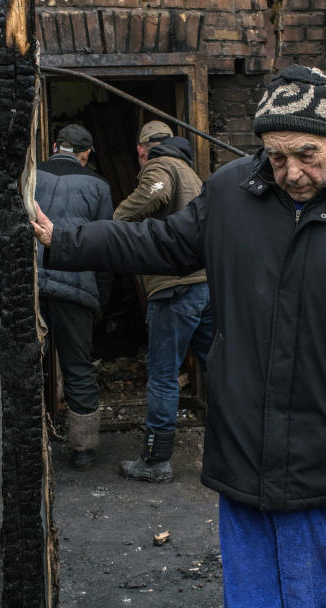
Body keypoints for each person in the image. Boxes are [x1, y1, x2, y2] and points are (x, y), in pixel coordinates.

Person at [32, 65, 326, 606]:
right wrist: (62, 239)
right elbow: (158, 243)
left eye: (307, 156)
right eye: (277, 156)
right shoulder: (232, 193)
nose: (292, 172)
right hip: (249, 444)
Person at [112, 120, 213, 484]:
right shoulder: (192, 173)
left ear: (143, 148)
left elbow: (155, 193)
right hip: (204, 285)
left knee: (163, 376)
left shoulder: (160, 164)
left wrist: (117, 222)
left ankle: (156, 461)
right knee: (218, 368)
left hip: (174, 288)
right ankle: (233, 450)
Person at [35, 123, 113, 471]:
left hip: (31, 283)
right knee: (78, 365)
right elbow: (105, 246)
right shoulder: (97, 185)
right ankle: (82, 450)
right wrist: (101, 296)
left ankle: (25, 444)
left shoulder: (30, 177)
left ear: (54, 146)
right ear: (86, 155)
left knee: (25, 363)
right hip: (76, 286)